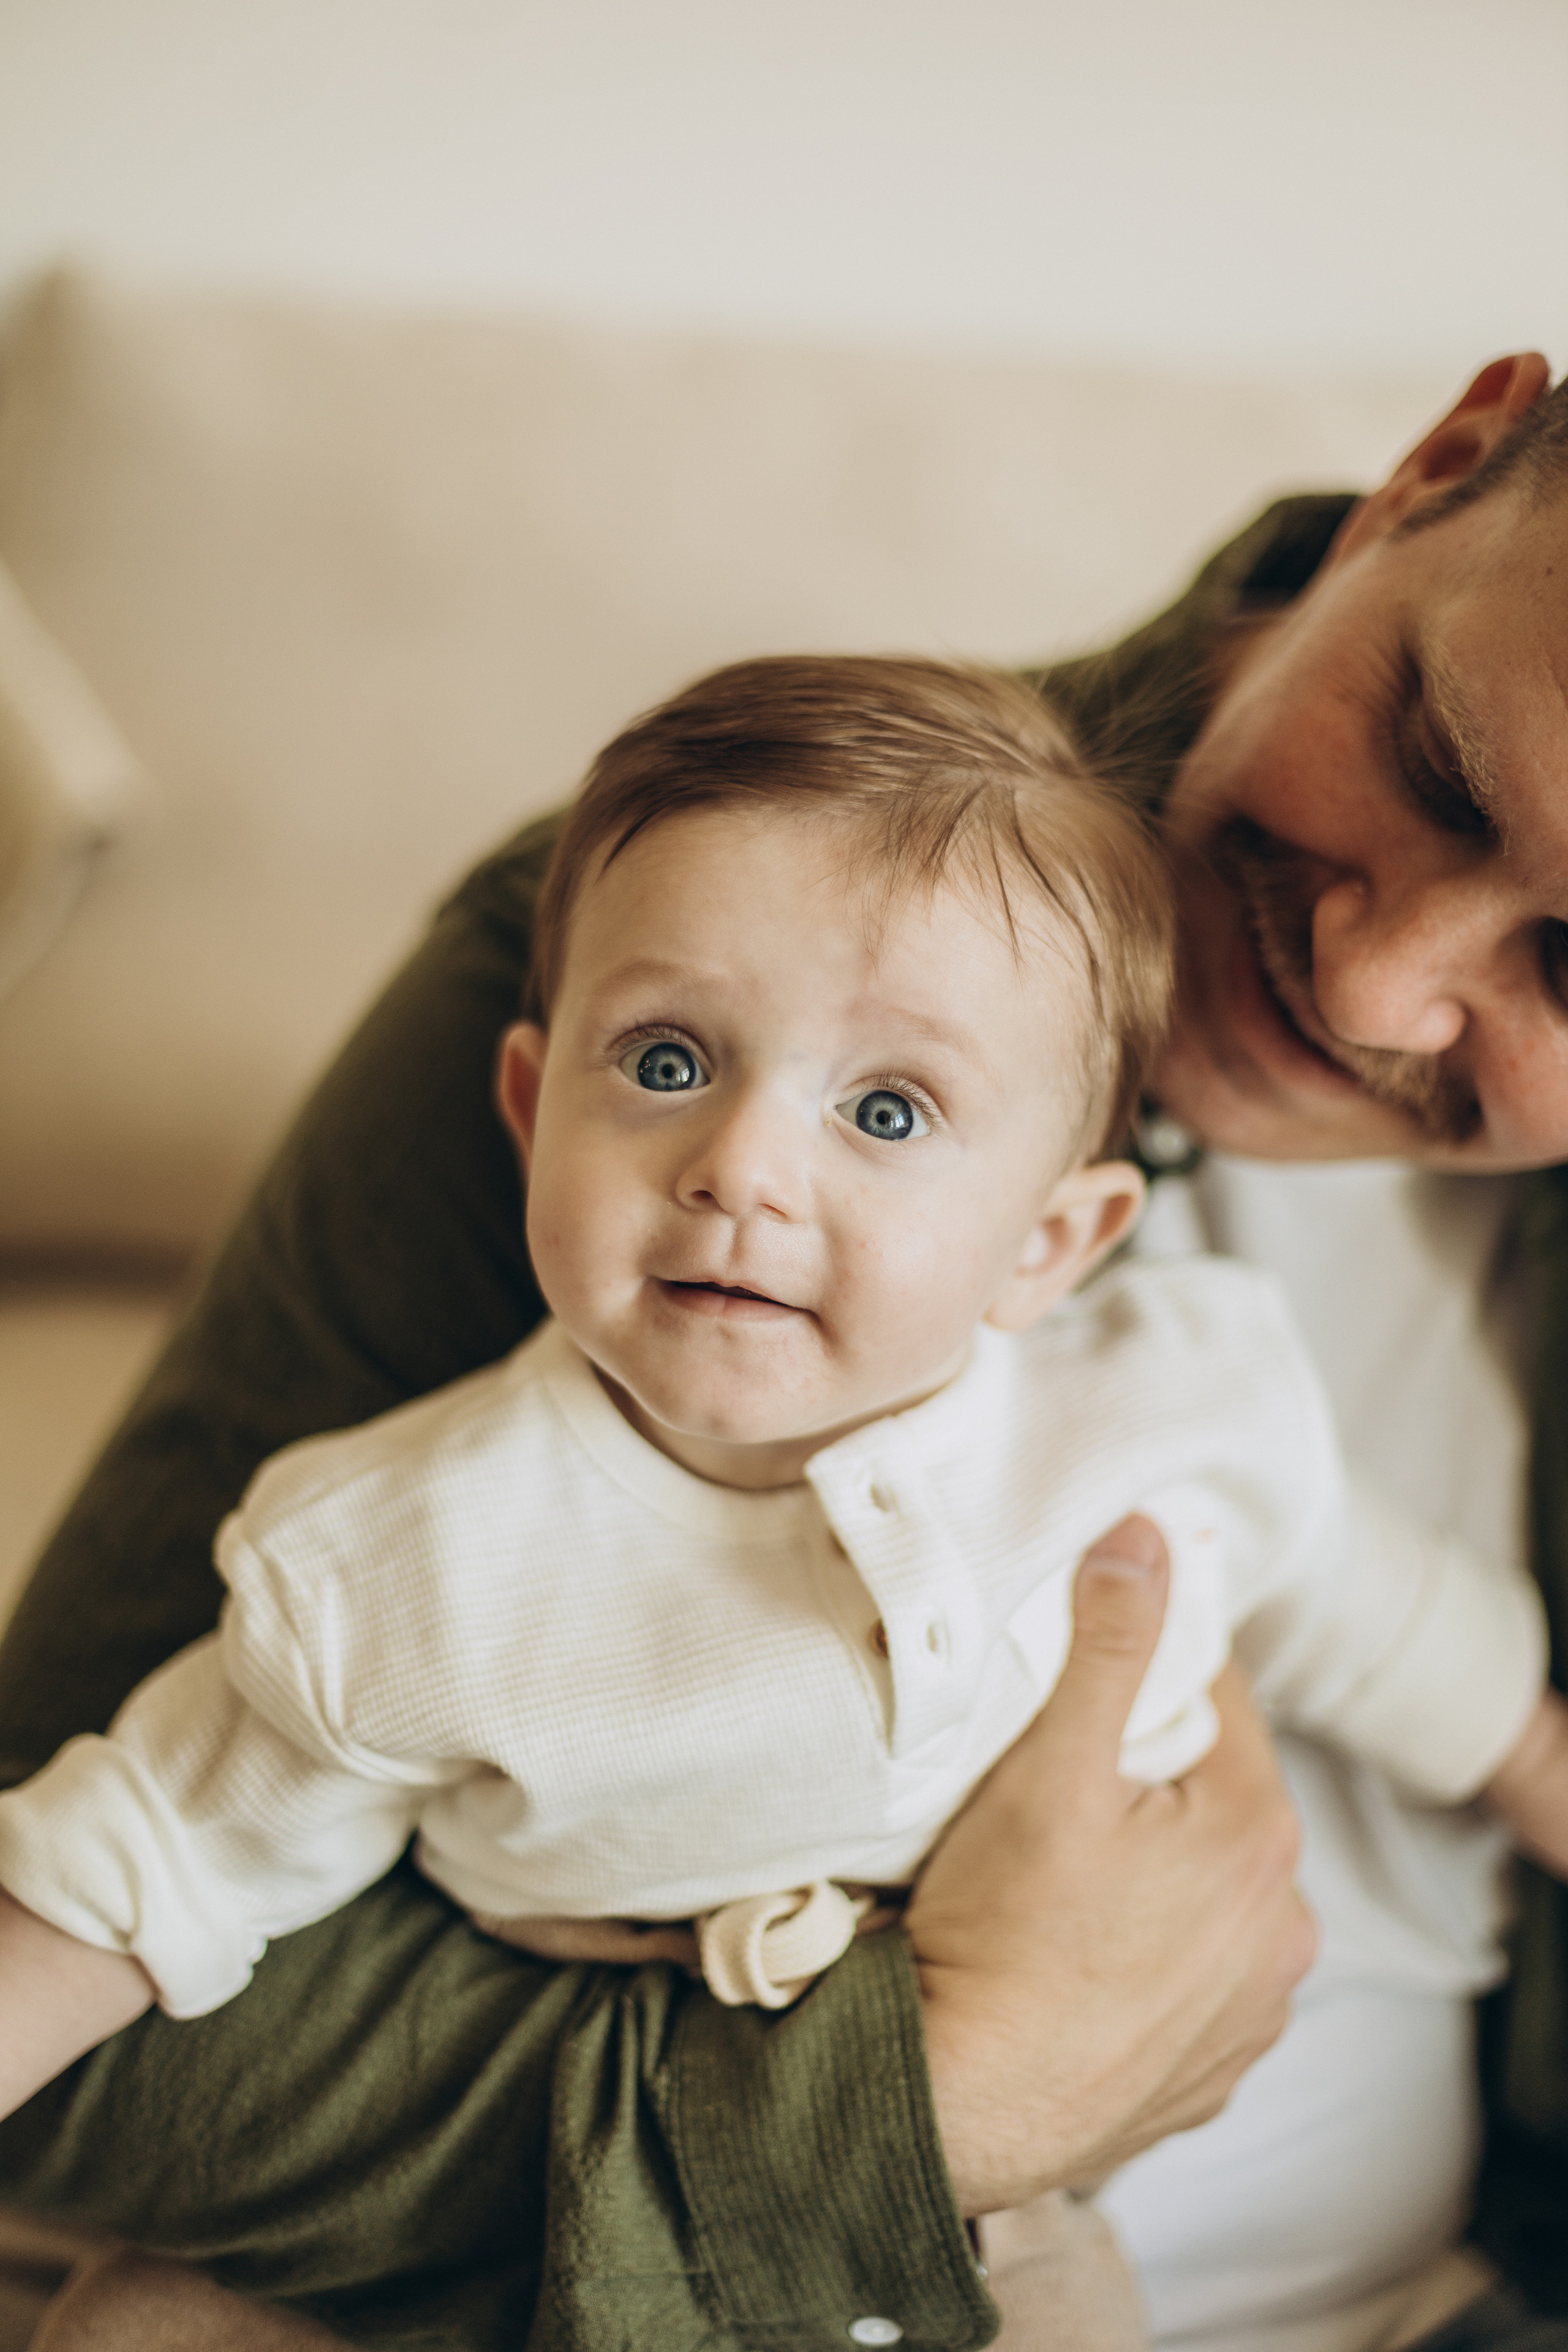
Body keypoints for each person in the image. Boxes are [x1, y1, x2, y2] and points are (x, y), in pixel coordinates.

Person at [4, 350, 1568, 2348]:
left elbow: (1398, 1621)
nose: (1376, 976)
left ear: (1065, 1239)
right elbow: (103, 1998)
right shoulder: (687, 921)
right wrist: (912, 2111)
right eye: (1432, 765)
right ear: (1432, 470)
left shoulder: (1187, 1384)